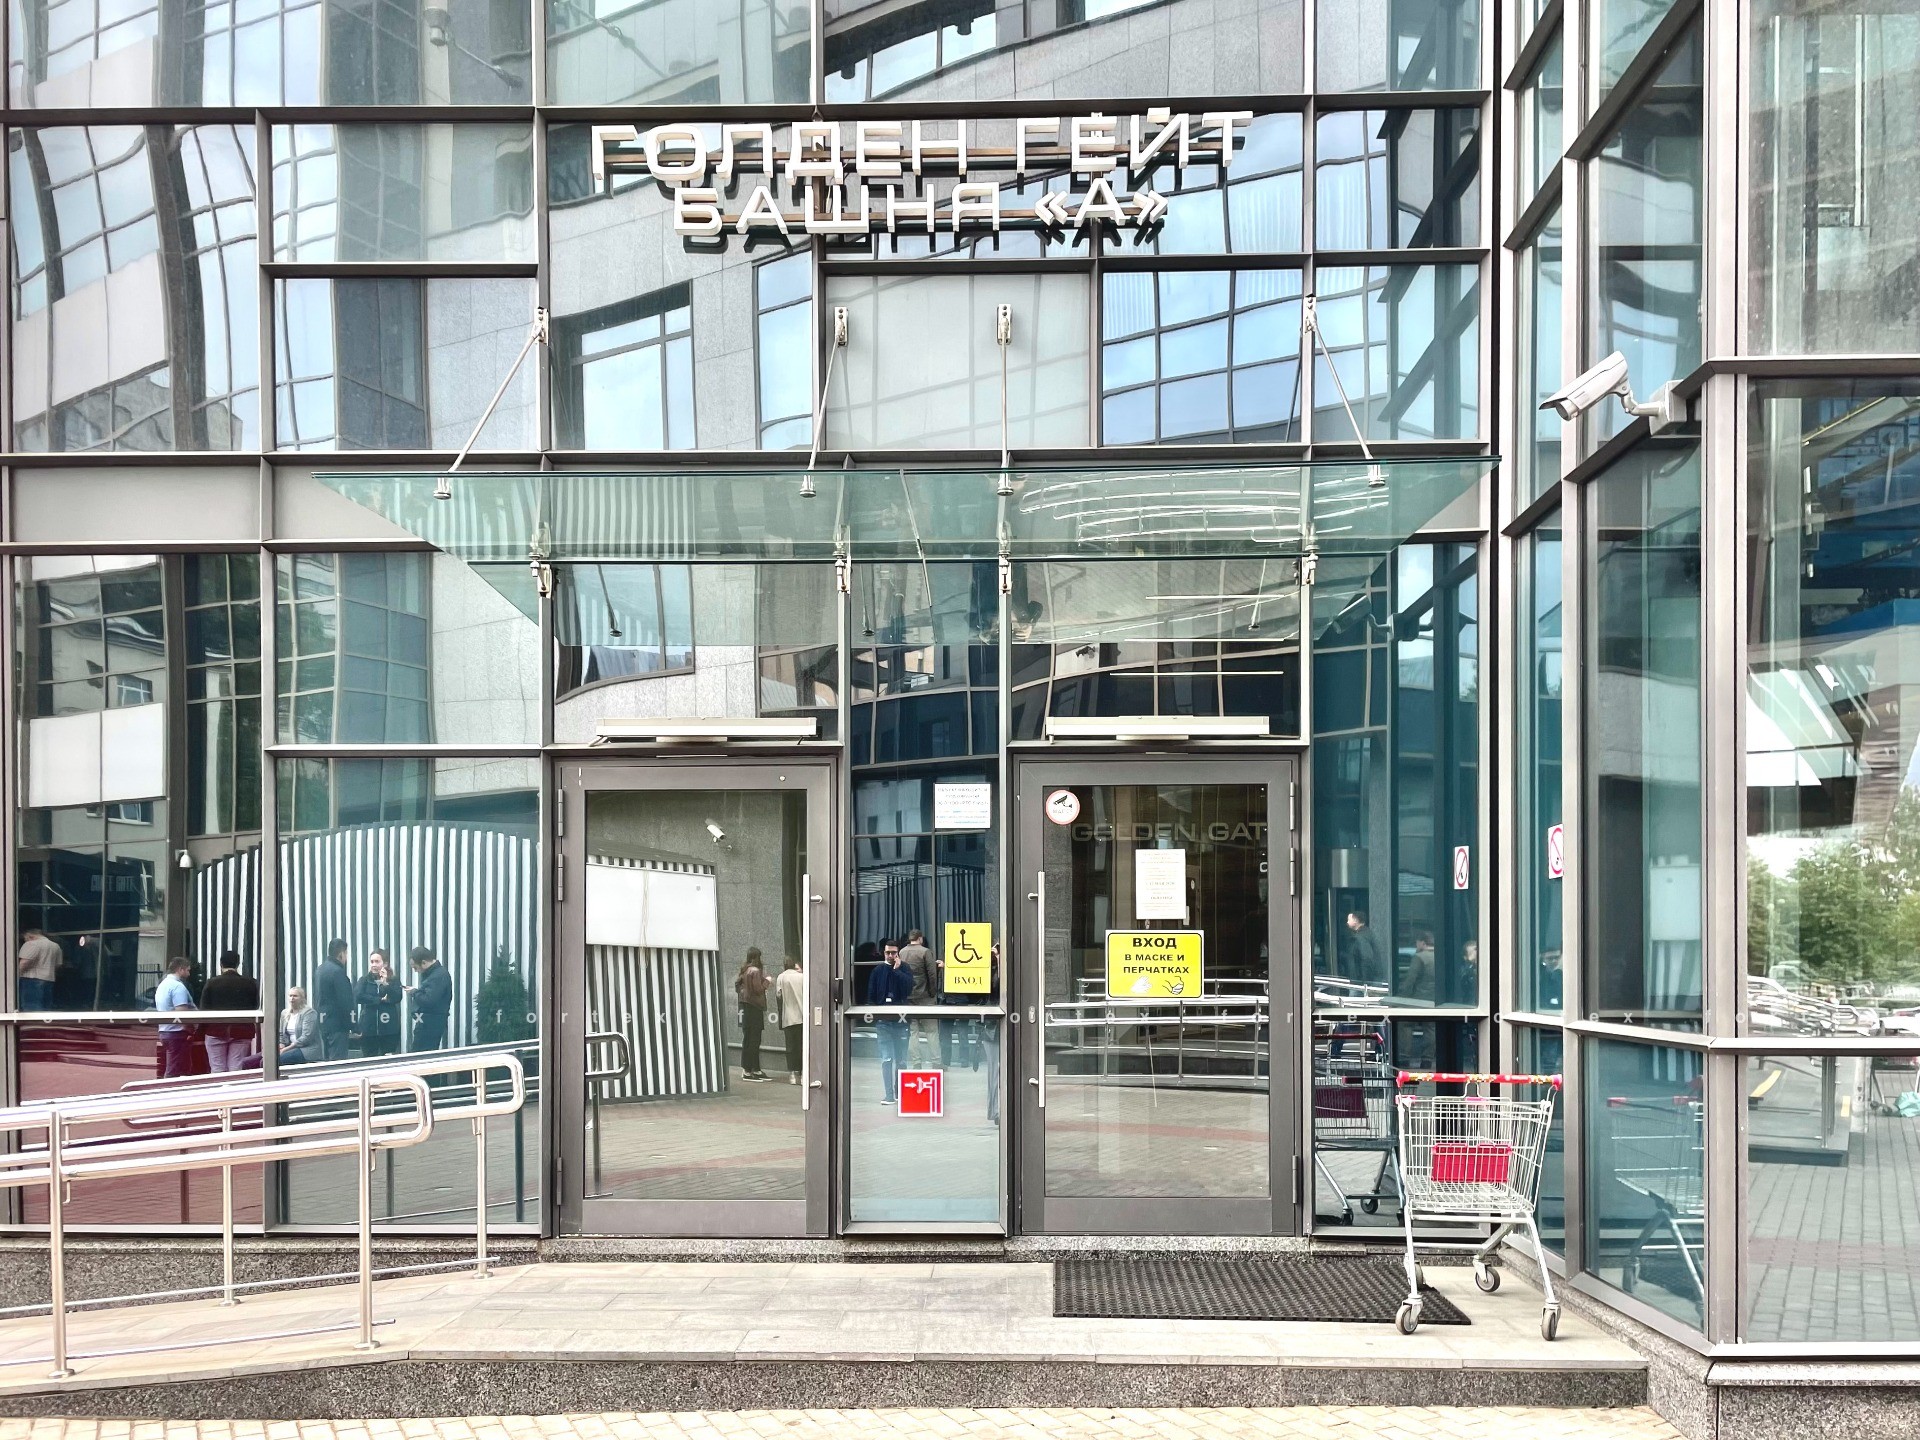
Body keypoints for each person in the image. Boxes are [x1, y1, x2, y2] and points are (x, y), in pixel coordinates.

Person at [864, 939, 913, 1102]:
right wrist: (873, 1015)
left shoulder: (904, 968)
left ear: (898, 953)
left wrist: (897, 970)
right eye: (888, 953)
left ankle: (900, 1094)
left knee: (901, 1060)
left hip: (901, 1021)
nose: (891, 956)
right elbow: (871, 995)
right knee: (887, 1058)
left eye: (893, 953)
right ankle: (889, 1095)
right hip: (883, 1022)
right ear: (883, 953)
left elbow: (908, 989)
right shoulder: (878, 970)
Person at [199, 949, 260, 1072]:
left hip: (215, 1030)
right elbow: (255, 1006)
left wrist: (200, 1031)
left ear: (221, 964)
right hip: (242, 1030)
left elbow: (204, 1009)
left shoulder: (212, 983)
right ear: (238, 964)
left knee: (217, 1068)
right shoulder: (250, 983)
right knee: (236, 1068)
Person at [898, 929, 938, 1066]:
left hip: (908, 997)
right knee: (931, 1031)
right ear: (920, 938)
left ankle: (916, 1062)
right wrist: (933, 992)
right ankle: (936, 1061)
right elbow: (932, 974)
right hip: (925, 997)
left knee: (913, 1032)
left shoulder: (902, 952)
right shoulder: (925, 952)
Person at [154, 956, 198, 1078]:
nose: (189, 974)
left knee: (174, 1067)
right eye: (187, 970)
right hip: (177, 1033)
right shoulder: (178, 987)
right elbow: (181, 1013)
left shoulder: (163, 985)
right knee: (176, 1069)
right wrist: (190, 1029)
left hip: (165, 1030)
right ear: (180, 969)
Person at [356, 949, 404, 1057]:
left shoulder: (393, 980)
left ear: (385, 964)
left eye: (377, 962)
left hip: (389, 1028)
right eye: (372, 961)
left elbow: (397, 997)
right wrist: (378, 1000)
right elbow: (358, 996)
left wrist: (385, 983)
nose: (374, 965)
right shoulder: (364, 980)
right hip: (369, 1029)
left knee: (388, 1059)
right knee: (369, 1058)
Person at [314, 938, 355, 1062]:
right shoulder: (338, 972)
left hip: (324, 1023)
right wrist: (353, 1025)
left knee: (327, 1061)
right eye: (346, 954)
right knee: (338, 1062)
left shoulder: (320, 970)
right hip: (338, 1025)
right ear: (341, 954)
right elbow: (345, 1002)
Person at [406, 946, 452, 1052]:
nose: (415, 971)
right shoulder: (434, 974)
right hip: (426, 1021)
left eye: (415, 967)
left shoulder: (438, 976)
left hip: (430, 1023)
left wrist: (414, 992)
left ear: (424, 962)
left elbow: (429, 1000)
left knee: (420, 1054)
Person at [735, 947, 771, 1081]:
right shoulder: (754, 971)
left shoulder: (744, 970)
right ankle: (751, 1070)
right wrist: (767, 981)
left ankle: (750, 1069)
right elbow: (758, 989)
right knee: (755, 1039)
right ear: (756, 957)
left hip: (745, 1007)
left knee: (748, 1039)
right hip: (755, 1007)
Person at [774, 954, 806, 1085]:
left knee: (791, 1046)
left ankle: (792, 1074)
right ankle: (803, 1073)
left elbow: (778, 995)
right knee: (803, 1045)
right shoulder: (802, 977)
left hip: (788, 1017)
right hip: (802, 1016)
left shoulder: (781, 977)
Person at [17, 928, 61, 1011]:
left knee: (31, 1007)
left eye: (25, 938)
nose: (25, 940)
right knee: (46, 1007)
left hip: (31, 979)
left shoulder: (31, 944)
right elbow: (58, 964)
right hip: (49, 979)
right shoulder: (56, 946)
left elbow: (24, 962)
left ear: (30, 936)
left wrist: (17, 975)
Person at [1344, 910, 1389, 990]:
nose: (1347, 922)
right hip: (1367, 980)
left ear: (1355, 921)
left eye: (1349, 920)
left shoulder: (1360, 937)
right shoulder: (1367, 933)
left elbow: (1367, 959)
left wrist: (1366, 982)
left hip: (1362, 982)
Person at [279, 986, 318, 1065]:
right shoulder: (284, 1013)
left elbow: (306, 1037)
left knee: (275, 1061)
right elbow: (281, 1034)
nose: (292, 998)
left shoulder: (309, 1013)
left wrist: (286, 1049)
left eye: (295, 996)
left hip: (305, 1049)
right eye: (290, 996)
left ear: (302, 998)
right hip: (288, 1047)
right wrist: (281, 1045)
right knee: (258, 1060)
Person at [1404, 929, 1437, 1002]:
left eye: (1417, 943)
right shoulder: (1440, 956)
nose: (1416, 945)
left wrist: (1403, 996)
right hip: (1437, 997)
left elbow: (1411, 979)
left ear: (1422, 943)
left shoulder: (1419, 957)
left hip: (1421, 997)